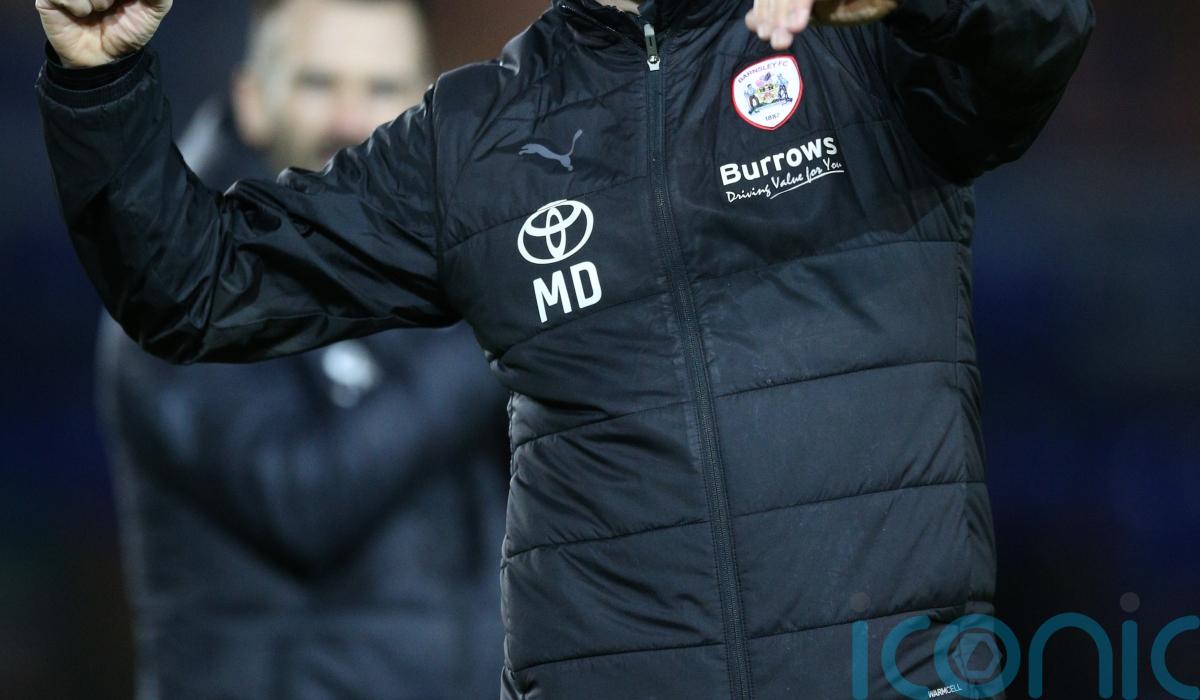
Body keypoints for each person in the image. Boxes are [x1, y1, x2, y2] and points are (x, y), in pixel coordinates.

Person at [35, 0, 1094, 696]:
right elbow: (199, 286)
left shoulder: (863, 43)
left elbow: (1043, 31)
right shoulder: (473, 140)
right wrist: (98, 79)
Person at [91, 1, 509, 698]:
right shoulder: (178, 283)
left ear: (426, 108)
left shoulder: (441, 259)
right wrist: (498, 320)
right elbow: (301, 498)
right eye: (318, 83)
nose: (350, 120)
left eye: (382, 87)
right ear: (253, 99)